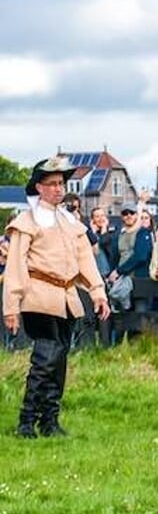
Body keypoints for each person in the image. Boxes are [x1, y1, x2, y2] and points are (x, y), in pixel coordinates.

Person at [3, 156, 111, 437]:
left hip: (66, 296)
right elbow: (15, 264)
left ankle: (49, 421)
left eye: (61, 183)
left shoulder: (70, 221)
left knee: (59, 358)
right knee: (45, 356)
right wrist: (11, 306)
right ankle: (27, 421)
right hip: (37, 294)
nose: (58, 189)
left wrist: (98, 292)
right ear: (39, 187)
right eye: (51, 184)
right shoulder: (27, 221)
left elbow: (85, 259)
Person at [105, 201, 153, 315]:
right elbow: (114, 257)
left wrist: (119, 271)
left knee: (140, 318)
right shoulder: (117, 235)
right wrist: (111, 274)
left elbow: (141, 256)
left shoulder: (143, 232)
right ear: (122, 216)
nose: (129, 216)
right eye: (125, 213)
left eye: (131, 212)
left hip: (139, 279)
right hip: (121, 282)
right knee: (121, 320)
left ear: (137, 215)